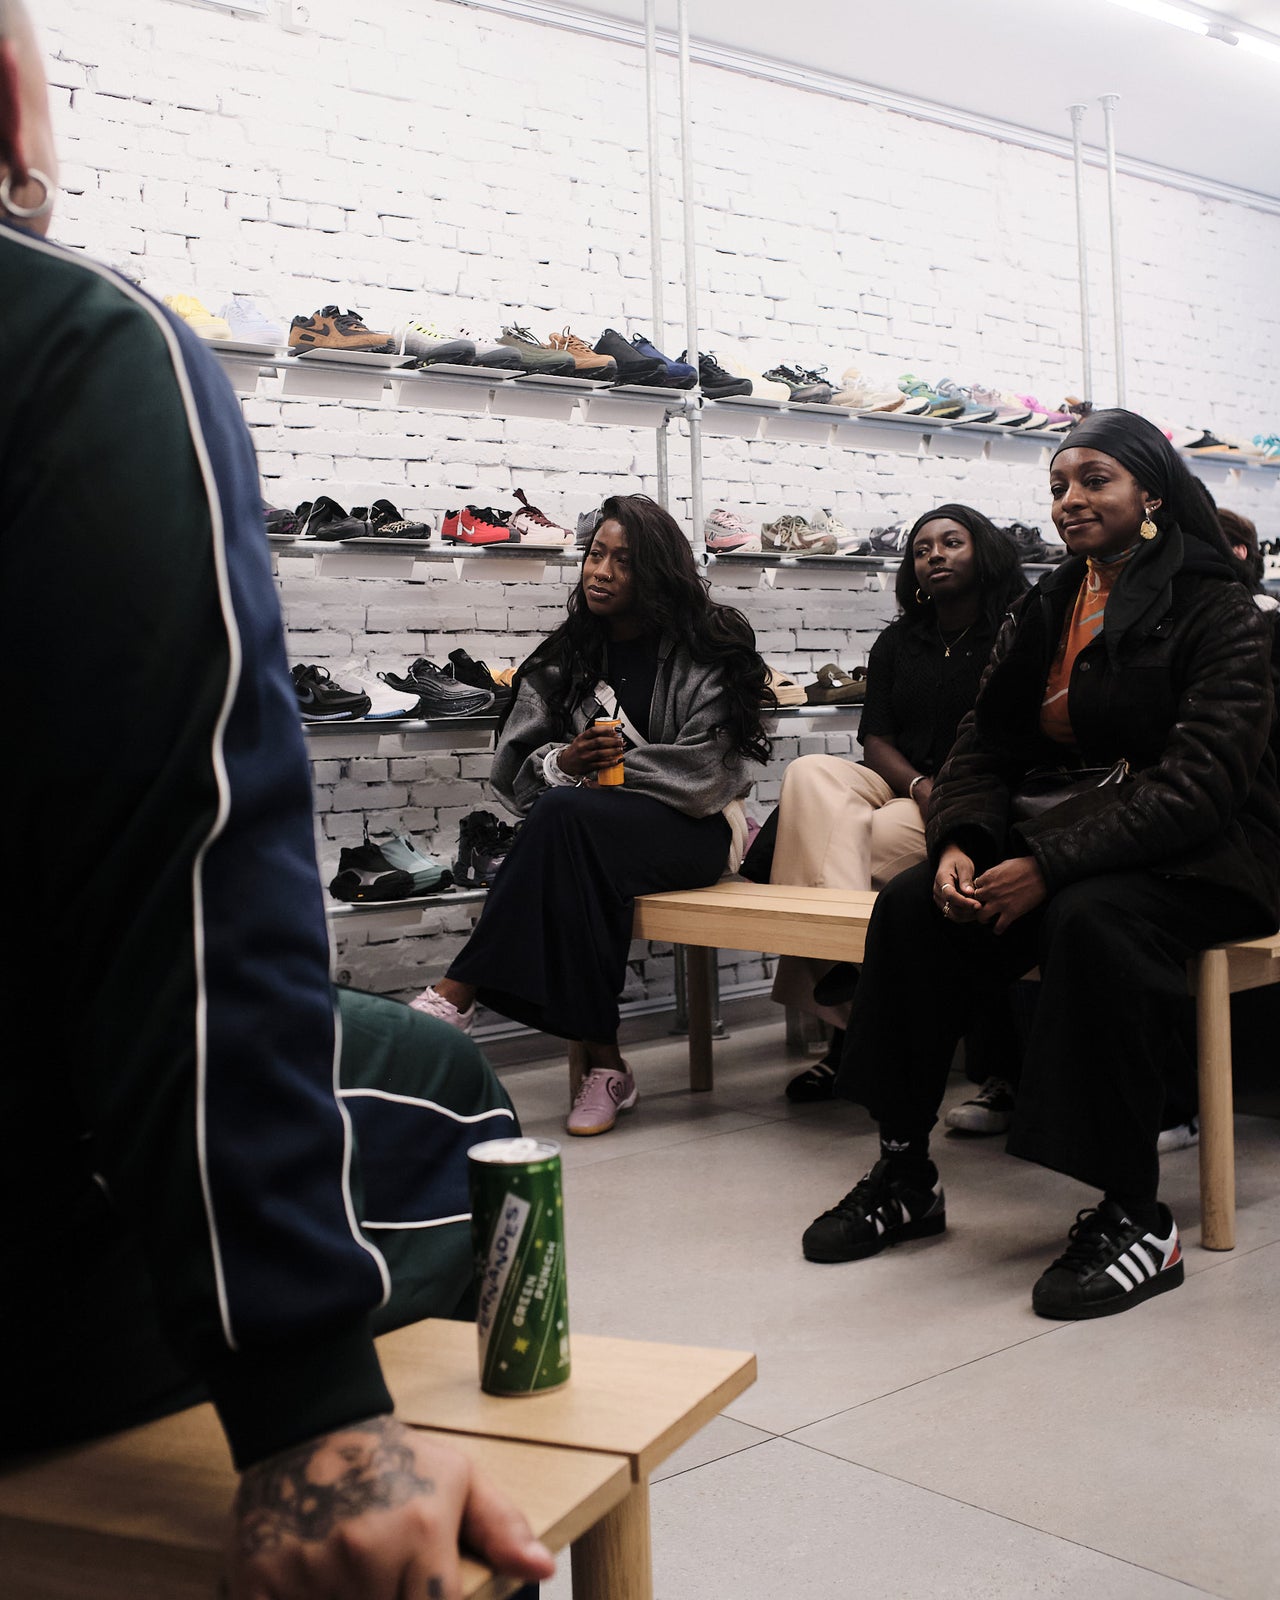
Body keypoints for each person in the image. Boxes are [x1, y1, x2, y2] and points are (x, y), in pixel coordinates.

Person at [0, 6, 554, 1596]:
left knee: (593, 824)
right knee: (447, 1091)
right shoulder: (74, 344)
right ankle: (418, 1467)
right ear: (15, 101)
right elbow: (180, 886)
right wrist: (307, 1400)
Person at [801, 409, 1280, 1321]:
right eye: (1059, 485)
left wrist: (1047, 867)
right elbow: (984, 744)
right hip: (1076, 837)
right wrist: (962, 842)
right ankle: (905, 1171)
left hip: (1210, 852)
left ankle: (1137, 1214)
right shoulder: (1049, 603)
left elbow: (1203, 784)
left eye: (1095, 480)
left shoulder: (1219, 608)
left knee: (1092, 918)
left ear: (1151, 493)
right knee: (913, 906)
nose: (1070, 501)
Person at [411, 494, 773, 1136]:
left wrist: (599, 774)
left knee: (566, 820)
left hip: (696, 831)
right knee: (571, 839)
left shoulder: (707, 645)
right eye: (595, 555)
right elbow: (513, 770)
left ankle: (458, 992)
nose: (600, 572)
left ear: (657, 570)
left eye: (623, 561)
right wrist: (565, 761)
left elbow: (708, 773)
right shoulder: (566, 656)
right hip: (589, 836)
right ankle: (605, 1066)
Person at [766, 505, 1027, 1109]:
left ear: (983, 551)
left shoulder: (1013, 631)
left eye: (952, 543)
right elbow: (875, 740)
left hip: (973, 795)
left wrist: (943, 794)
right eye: (922, 548)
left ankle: (849, 1028)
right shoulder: (900, 640)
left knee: (851, 843)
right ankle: (843, 967)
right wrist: (917, 787)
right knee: (809, 772)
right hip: (906, 785)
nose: (935, 555)